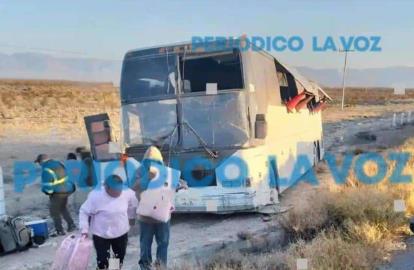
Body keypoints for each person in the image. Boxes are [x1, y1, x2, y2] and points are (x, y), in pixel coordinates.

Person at [134, 146, 187, 270]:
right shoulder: (140, 172)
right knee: (147, 244)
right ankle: (147, 267)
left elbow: (177, 183)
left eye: (156, 161)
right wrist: (147, 178)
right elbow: (134, 187)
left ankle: (160, 267)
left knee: (160, 243)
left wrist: (179, 185)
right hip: (147, 215)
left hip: (161, 215)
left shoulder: (165, 171)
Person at [79, 175, 138, 270]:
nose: (118, 194)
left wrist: (131, 218)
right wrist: (84, 229)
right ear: (106, 188)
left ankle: (113, 269)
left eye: (119, 191)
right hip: (101, 234)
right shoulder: (95, 196)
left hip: (120, 233)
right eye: (115, 192)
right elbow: (84, 211)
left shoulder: (127, 193)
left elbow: (132, 205)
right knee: (103, 260)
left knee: (117, 258)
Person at [35, 154, 76, 236]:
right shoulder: (59, 164)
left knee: (54, 212)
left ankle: (59, 230)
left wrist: (47, 191)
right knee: (63, 208)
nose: (39, 165)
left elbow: (48, 186)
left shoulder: (46, 169)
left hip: (57, 193)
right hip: (66, 190)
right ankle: (71, 225)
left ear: (41, 161)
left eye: (39, 163)